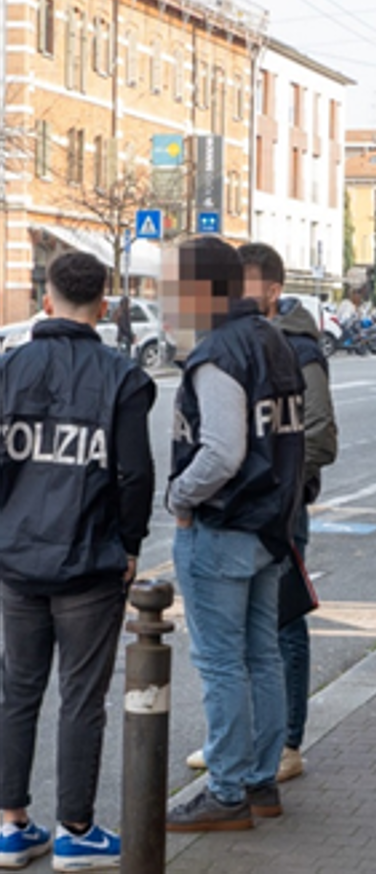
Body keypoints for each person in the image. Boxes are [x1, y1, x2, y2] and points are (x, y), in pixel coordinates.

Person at [0, 251, 155, 871]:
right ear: (106, 303)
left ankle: (11, 825)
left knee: (18, 687)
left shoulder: (9, 369)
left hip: (17, 557)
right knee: (81, 696)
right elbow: (134, 474)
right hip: (90, 558)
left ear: (45, 299)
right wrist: (132, 543)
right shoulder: (120, 375)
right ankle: (76, 830)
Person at [164, 236, 305, 833]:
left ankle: (226, 792)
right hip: (270, 527)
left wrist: (179, 496)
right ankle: (259, 781)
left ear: (201, 291)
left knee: (223, 664)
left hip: (224, 526)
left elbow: (222, 451)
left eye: (173, 286)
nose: (167, 298)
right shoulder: (273, 340)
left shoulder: (219, 352)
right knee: (262, 658)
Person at [239, 242, 338, 781]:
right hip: (243, 510)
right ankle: (248, 738)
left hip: (279, 511)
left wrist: (275, 486)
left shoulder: (299, 348)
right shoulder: (238, 341)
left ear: (272, 291)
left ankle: (287, 743)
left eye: (244, 285)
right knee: (242, 626)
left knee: (282, 624)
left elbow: (320, 436)